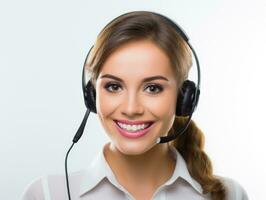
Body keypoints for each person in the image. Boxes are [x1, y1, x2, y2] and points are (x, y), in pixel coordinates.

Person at [21, 11, 249, 200]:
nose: (131, 108)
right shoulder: (48, 194)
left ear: (183, 98)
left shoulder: (230, 195)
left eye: (152, 88)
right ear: (91, 94)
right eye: (113, 86)